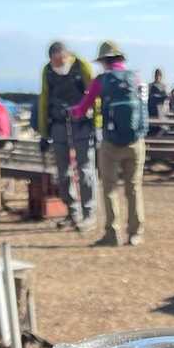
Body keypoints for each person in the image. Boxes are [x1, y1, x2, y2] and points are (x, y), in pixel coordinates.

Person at [72, 40, 146, 247]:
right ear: (120, 59)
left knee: (109, 187)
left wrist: (74, 111)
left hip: (111, 142)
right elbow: (144, 107)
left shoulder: (101, 81)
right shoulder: (136, 78)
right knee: (134, 187)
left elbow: (83, 108)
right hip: (136, 140)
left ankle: (112, 233)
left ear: (104, 61)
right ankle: (135, 233)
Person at [35, 41, 97, 230]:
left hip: (82, 125)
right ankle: (72, 213)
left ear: (67, 55)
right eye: (54, 61)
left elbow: (94, 94)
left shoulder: (81, 65)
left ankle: (89, 213)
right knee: (63, 173)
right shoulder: (47, 71)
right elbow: (44, 99)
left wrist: (97, 125)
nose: (58, 64)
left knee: (85, 170)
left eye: (60, 60)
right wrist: (44, 133)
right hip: (58, 124)